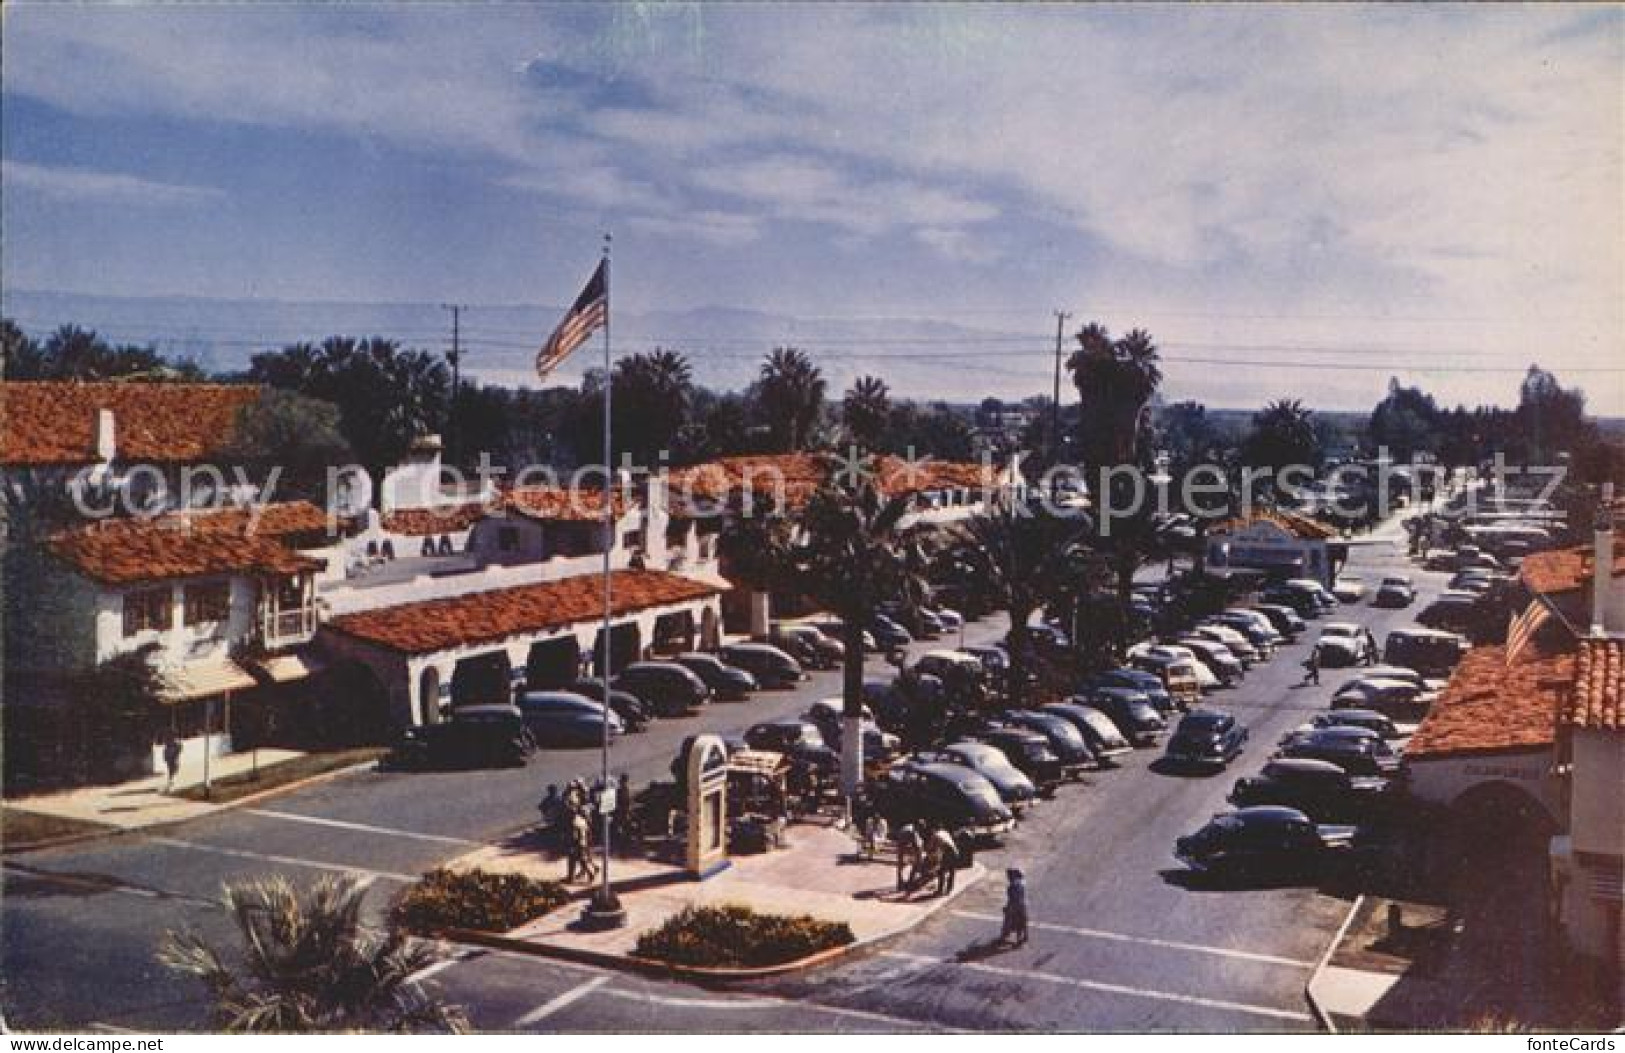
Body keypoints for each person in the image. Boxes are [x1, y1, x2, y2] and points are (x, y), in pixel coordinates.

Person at [565, 811, 597, 883]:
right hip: (583, 843)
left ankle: (590, 874)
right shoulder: (582, 820)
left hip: (577, 844)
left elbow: (575, 836)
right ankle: (571, 877)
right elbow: (588, 832)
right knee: (579, 860)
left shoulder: (574, 822)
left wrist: (572, 846)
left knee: (576, 860)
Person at [1000, 868, 1029, 946]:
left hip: (1015, 906)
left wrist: (1007, 907)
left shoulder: (1012, 887)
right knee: (1023, 921)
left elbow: (1012, 898)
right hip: (1022, 905)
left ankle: (1007, 935)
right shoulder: (1022, 884)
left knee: (1010, 920)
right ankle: (1025, 936)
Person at [929, 825, 959, 896]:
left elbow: (932, 847)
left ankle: (940, 891)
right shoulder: (945, 832)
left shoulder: (936, 835)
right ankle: (949, 889)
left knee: (941, 871)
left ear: (934, 829)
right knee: (951, 871)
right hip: (955, 851)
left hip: (948, 852)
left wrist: (931, 855)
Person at [895, 822, 922, 892]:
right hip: (904, 847)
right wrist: (919, 857)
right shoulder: (911, 831)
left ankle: (901, 883)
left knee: (901, 866)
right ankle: (906, 883)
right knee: (907, 865)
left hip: (903, 846)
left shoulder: (909, 827)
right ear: (918, 826)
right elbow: (917, 845)